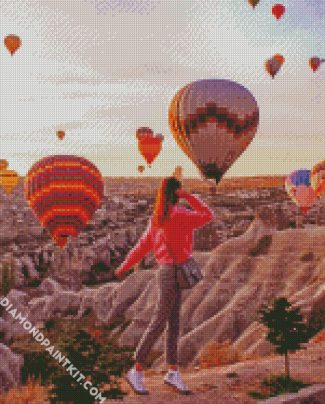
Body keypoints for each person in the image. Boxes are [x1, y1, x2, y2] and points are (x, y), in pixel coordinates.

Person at [114, 176, 215, 395]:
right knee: (161, 321)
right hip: (173, 272)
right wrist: (188, 196)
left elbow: (142, 247)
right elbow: (208, 215)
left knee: (173, 322)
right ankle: (137, 370)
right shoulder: (180, 214)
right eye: (180, 191)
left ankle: (172, 371)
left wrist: (123, 266)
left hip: (166, 271)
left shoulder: (156, 218)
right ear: (176, 192)